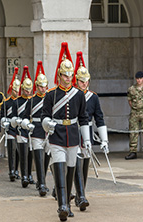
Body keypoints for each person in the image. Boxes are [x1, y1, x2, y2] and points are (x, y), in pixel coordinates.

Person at [41, 42, 91, 221]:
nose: (68, 78)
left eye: (70, 75)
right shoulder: (51, 94)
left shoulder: (78, 95)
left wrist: (86, 140)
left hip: (73, 136)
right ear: (59, 75)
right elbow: (44, 116)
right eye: (65, 75)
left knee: (71, 169)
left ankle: (68, 203)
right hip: (57, 135)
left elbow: (83, 118)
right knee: (60, 167)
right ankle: (62, 205)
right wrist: (48, 124)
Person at [73, 51, 109, 211]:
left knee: (85, 164)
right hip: (74, 131)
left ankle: (82, 192)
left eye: (86, 81)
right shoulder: (72, 95)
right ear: (77, 81)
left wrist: (104, 140)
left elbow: (99, 118)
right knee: (76, 162)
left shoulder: (93, 97)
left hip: (87, 130)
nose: (84, 84)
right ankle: (80, 196)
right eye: (81, 81)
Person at [21, 61, 50, 196]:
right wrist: (28, 124)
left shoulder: (51, 98)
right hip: (36, 130)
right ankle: (42, 184)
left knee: (46, 159)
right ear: (36, 87)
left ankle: (40, 180)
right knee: (38, 157)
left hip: (48, 132)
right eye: (40, 86)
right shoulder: (31, 100)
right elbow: (25, 116)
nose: (43, 89)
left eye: (44, 86)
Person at [11, 66, 35, 187]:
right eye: (26, 90)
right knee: (23, 152)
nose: (28, 92)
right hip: (21, 130)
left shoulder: (34, 100)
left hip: (32, 130)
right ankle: (24, 175)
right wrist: (19, 123)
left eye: (30, 89)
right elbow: (14, 117)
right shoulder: (17, 102)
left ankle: (30, 174)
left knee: (30, 153)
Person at [0, 67, 21, 181]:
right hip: (10, 128)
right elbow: (2, 115)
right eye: (15, 91)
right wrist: (4, 121)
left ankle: (17, 169)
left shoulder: (22, 101)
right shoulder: (6, 102)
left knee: (18, 150)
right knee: (11, 149)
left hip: (20, 128)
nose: (16, 93)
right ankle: (11, 170)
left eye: (18, 91)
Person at [125, 71, 143, 160]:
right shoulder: (131, 89)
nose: (139, 80)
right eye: (137, 78)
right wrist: (135, 109)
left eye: (140, 78)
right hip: (135, 112)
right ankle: (133, 151)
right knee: (133, 132)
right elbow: (130, 101)